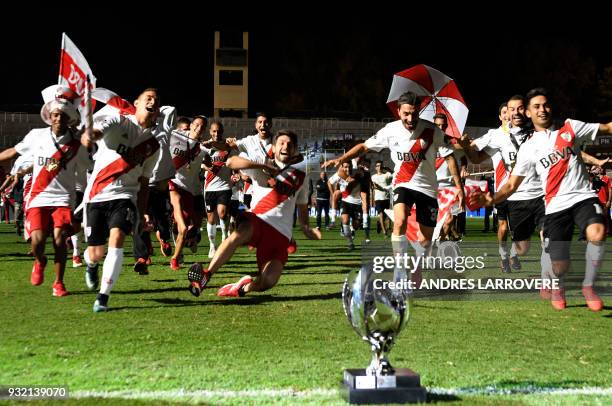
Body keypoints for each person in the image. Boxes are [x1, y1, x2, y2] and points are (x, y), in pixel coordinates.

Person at [474, 87, 612, 311]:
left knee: (597, 232)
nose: (542, 110)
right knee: (559, 265)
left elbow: (606, 127)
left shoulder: (570, 128)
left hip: (583, 196)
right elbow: (511, 184)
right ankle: (557, 284)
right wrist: (492, 199)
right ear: (528, 113)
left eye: (545, 105)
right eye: (536, 107)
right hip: (556, 205)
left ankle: (588, 285)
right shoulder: (529, 148)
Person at [323, 91, 463, 281]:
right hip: (403, 183)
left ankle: (417, 267)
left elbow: (449, 156)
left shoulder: (432, 131)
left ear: (419, 112)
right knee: (399, 222)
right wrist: (341, 158)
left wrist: (459, 187)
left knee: (426, 238)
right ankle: (399, 269)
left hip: (428, 188)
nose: (410, 118)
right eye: (406, 113)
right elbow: (364, 147)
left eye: (414, 113)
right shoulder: (390, 130)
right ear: (398, 111)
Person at [187, 130, 321, 297]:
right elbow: (231, 162)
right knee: (238, 234)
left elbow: (303, 215)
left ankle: (242, 287)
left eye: (290, 144)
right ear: (274, 147)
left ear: (294, 151)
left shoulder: (301, 177)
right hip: (258, 221)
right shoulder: (262, 163)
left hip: (280, 236)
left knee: (268, 281)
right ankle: (206, 275)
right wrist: (262, 166)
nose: (285, 146)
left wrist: (309, 230)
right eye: (281, 143)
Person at [0, 87, 89, 297]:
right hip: (38, 197)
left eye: (63, 115)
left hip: (63, 199)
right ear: (50, 116)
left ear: (70, 119)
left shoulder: (77, 147)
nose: (58, 118)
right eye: (55, 114)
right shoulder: (36, 136)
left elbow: (89, 167)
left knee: (60, 240)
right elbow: (13, 151)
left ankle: (59, 283)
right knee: (37, 242)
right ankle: (40, 261)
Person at [81, 88, 162, 312]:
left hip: (125, 196)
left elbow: (145, 183)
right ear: (136, 103)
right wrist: (90, 135)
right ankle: (91, 264)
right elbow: (95, 134)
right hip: (96, 194)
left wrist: (143, 210)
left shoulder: (153, 146)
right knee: (96, 253)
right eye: (148, 97)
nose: (153, 101)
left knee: (117, 238)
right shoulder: (118, 121)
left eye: (156, 99)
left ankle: (103, 297)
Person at [166, 115, 207, 270]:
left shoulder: (203, 148)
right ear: (190, 125)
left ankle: (177, 254)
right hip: (173, 183)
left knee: (193, 224)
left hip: (190, 189)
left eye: (202, 127)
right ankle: (175, 259)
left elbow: (216, 153)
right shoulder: (175, 136)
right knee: (183, 227)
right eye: (196, 124)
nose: (198, 128)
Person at [201, 120, 233, 259]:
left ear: (222, 131)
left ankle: (225, 236)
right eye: (214, 131)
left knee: (222, 213)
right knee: (211, 218)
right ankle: (212, 245)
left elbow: (233, 161)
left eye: (219, 131)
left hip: (224, 185)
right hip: (209, 187)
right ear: (210, 132)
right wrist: (209, 167)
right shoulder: (206, 147)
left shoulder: (227, 145)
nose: (216, 133)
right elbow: (201, 165)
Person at [434, 113, 467, 241]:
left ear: (447, 126)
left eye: (443, 125)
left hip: (449, 186)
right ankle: (436, 242)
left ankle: (439, 241)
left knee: (449, 219)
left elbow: (464, 158)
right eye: (437, 125)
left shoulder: (452, 142)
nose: (440, 128)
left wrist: (464, 168)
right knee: (433, 222)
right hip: (432, 186)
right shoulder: (428, 142)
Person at [371, 160, 393, 236]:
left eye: (381, 165)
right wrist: (372, 200)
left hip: (386, 198)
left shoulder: (387, 174)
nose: (379, 167)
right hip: (378, 198)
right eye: (377, 166)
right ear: (375, 168)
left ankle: (380, 224)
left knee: (387, 216)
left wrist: (388, 169)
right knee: (381, 214)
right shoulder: (373, 177)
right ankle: (384, 231)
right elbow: (373, 188)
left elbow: (394, 174)